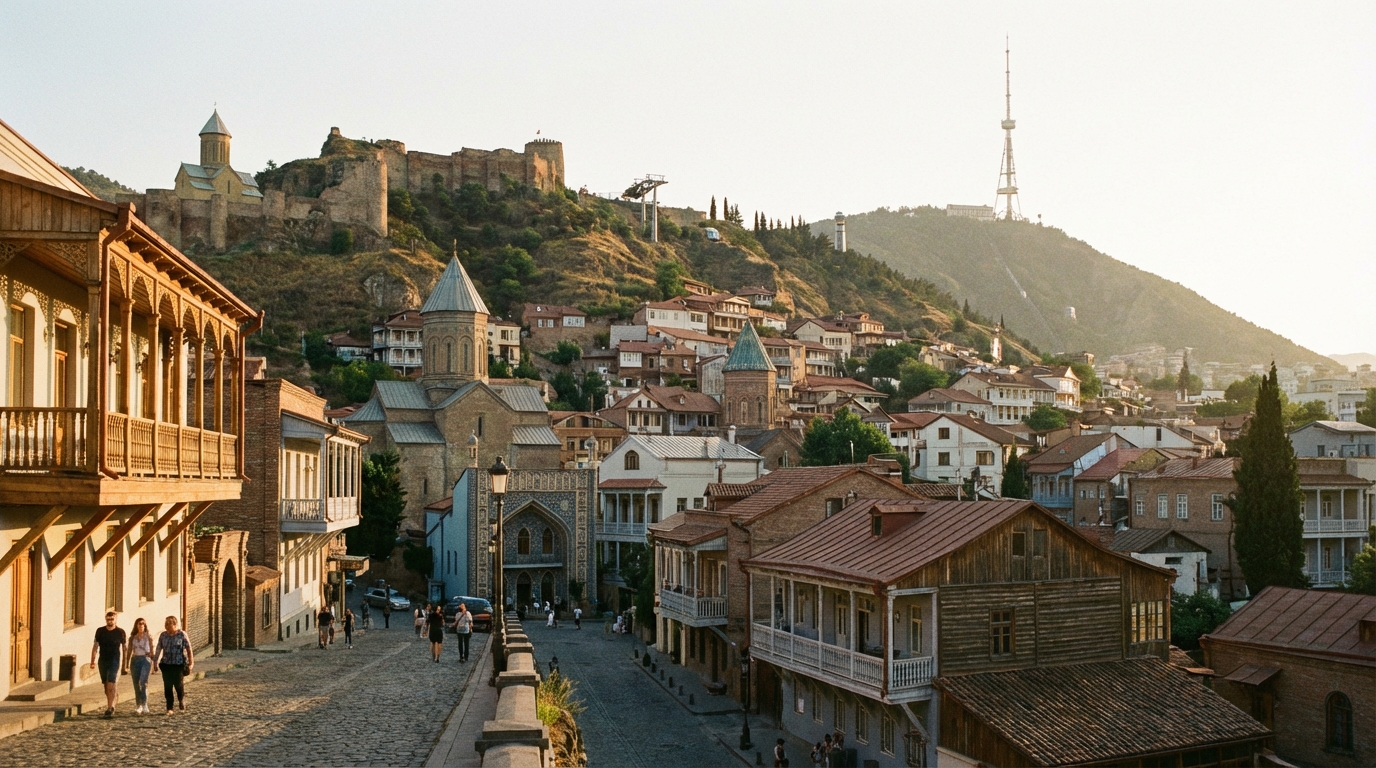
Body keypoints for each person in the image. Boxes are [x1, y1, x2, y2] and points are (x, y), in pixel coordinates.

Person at [152, 615, 193, 715]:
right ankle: (169, 707)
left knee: (178, 685)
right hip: (166, 664)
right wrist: (155, 662)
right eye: (166, 624)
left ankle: (181, 699)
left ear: (175, 624)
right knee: (168, 686)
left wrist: (191, 663)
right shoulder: (163, 635)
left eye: (169, 624)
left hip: (178, 664)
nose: (166, 626)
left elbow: (189, 648)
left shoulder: (182, 635)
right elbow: (158, 648)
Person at [89, 611, 125, 719]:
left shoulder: (120, 632)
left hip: (114, 660)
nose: (110, 621)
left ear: (115, 620)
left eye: (112, 619)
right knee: (106, 686)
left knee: (111, 683)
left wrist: (125, 664)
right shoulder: (100, 631)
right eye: (108, 619)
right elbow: (95, 646)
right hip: (103, 660)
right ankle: (113, 698)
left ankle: (110, 707)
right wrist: (92, 660)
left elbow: (125, 648)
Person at [124, 617, 154, 715]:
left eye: (143, 624)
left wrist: (154, 663)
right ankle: (139, 705)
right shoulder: (132, 638)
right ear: (136, 625)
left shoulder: (148, 636)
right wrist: (126, 664)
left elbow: (152, 651)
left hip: (145, 659)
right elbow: (129, 651)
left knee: (143, 682)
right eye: (139, 624)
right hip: (135, 659)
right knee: (136, 683)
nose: (141, 626)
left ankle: (144, 703)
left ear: (145, 626)